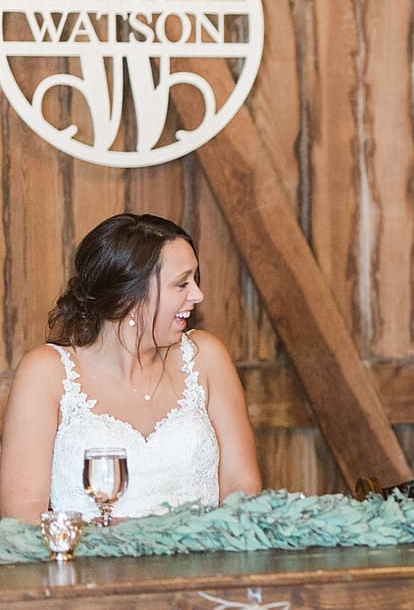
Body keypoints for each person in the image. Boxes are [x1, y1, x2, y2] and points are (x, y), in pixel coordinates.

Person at [0, 213, 262, 523]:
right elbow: (22, 511)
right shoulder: (46, 373)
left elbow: (241, 485)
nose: (198, 294)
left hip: (201, 564)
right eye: (181, 284)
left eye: (195, 279)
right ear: (129, 297)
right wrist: (120, 542)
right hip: (88, 567)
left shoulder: (207, 357)